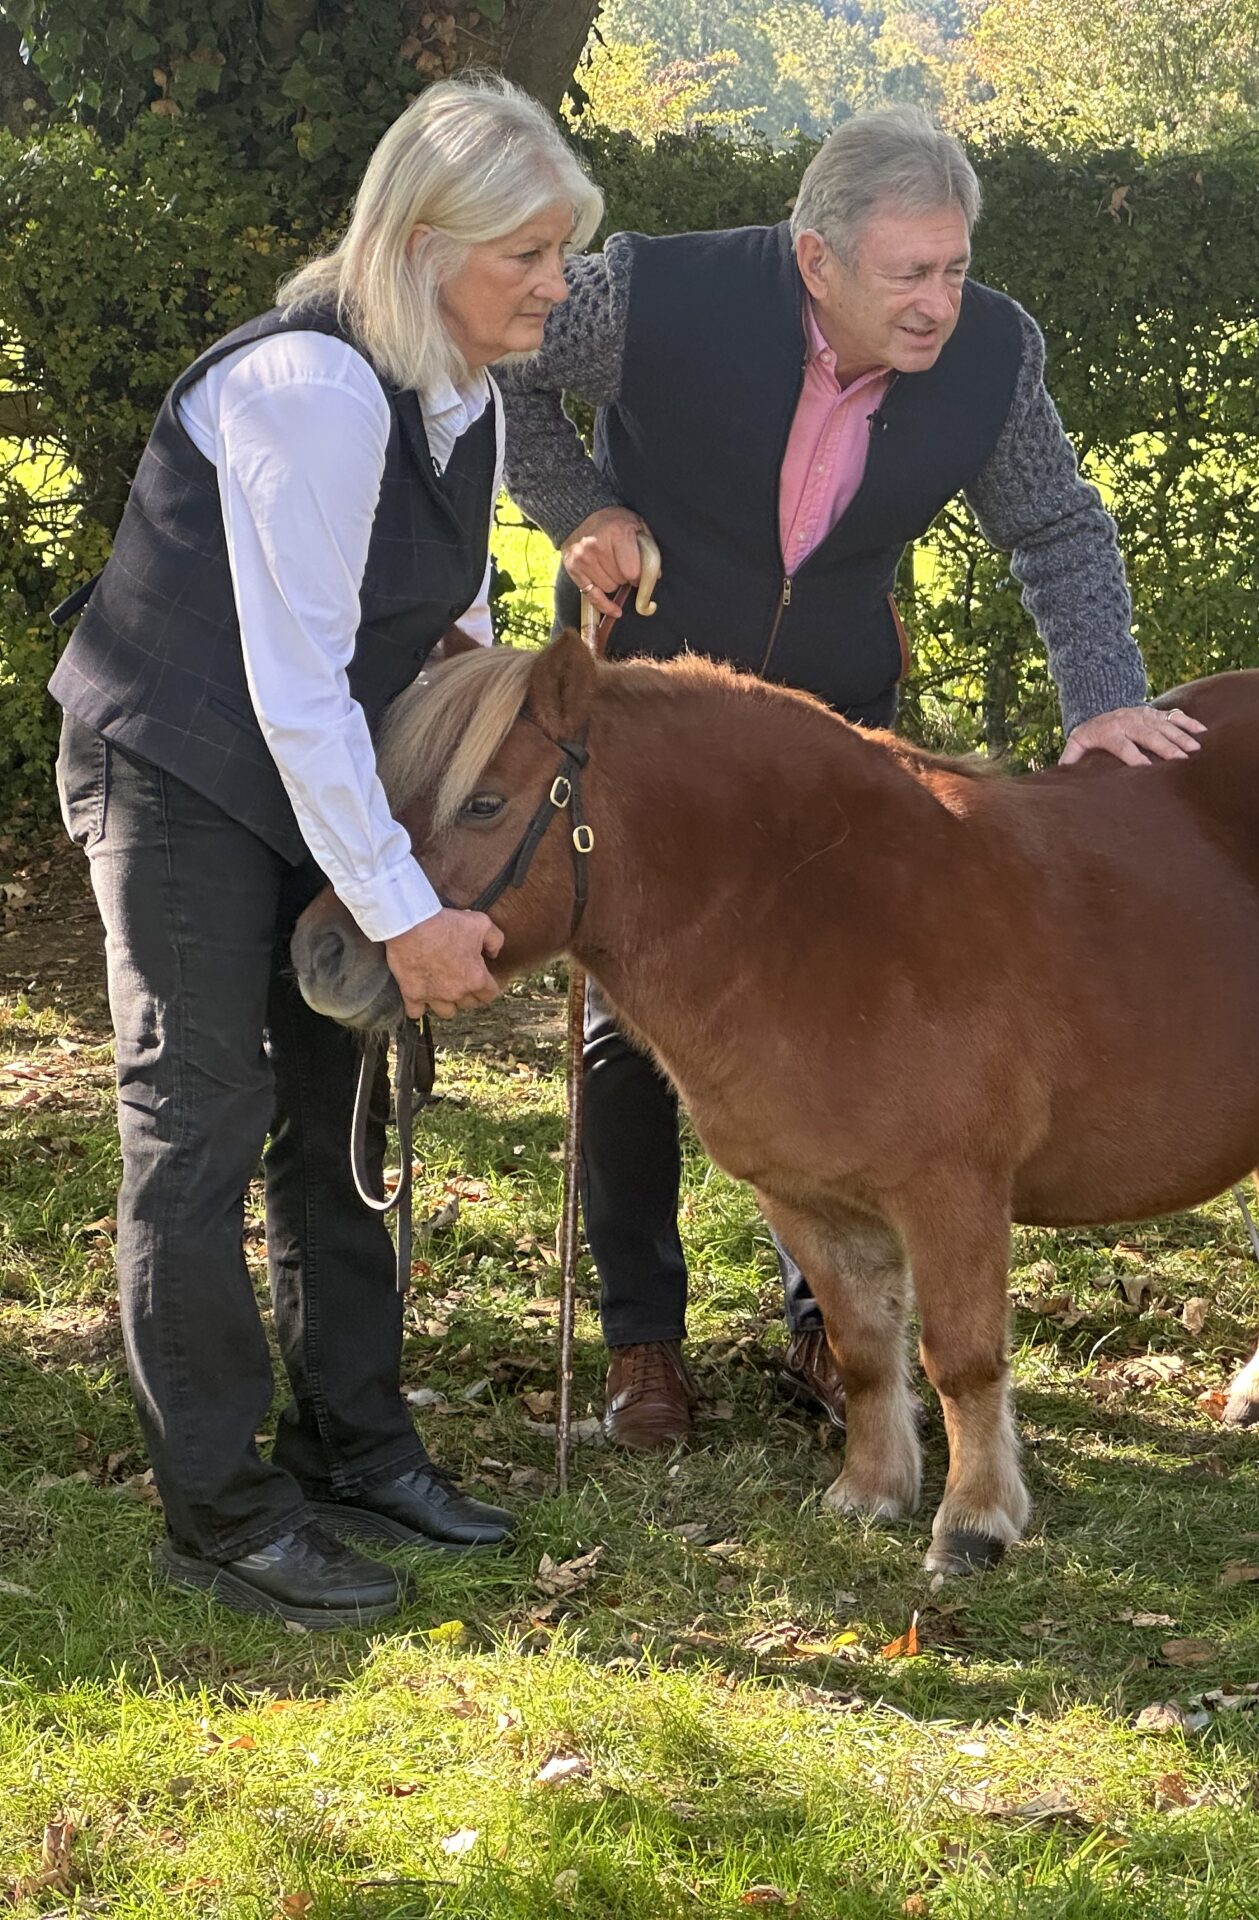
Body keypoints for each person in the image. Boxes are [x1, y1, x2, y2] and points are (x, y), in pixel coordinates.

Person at [497, 106, 1201, 1452]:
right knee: (629, 1032)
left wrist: (1106, 700)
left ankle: (827, 1330)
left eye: (954, 268)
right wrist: (578, 506)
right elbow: (499, 348)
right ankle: (644, 1345)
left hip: (834, 731)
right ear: (815, 260)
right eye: (908, 274)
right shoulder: (650, 295)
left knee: (842, 1016)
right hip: (651, 728)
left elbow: (1056, 527)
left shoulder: (993, 355)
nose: (939, 303)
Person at [46, 77, 602, 1626]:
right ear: (426, 246)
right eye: (529, 255)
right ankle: (218, 1514)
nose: (558, 287)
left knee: (339, 1098)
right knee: (199, 1118)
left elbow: (437, 638)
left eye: (561, 254)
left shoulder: (469, 400)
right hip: (177, 767)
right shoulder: (310, 389)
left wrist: (473, 808)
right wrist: (405, 914)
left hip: (312, 768)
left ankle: (355, 1446)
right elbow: (296, 686)